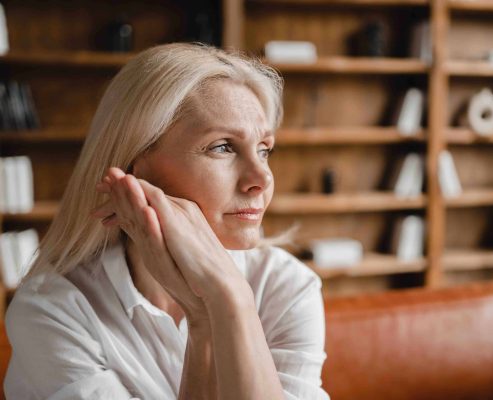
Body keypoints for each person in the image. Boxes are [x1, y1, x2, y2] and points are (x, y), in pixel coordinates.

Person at [4, 43, 329, 399]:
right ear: (134, 168)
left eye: (264, 149)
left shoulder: (286, 286)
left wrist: (230, 300)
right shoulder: (54, 310)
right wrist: (209, 314)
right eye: (222, 146)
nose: (262, 178)